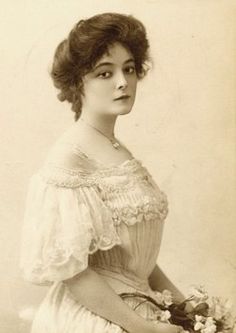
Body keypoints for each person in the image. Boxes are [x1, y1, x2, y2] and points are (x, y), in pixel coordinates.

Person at [20, 12, 188, 333]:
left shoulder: (116, 149)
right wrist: (146, 329)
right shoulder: (69, 158)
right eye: (104, 73)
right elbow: (73, 273)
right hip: (97, 318)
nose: (123, 81)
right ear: (76, 83)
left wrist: (187, 309)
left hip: (141, 308)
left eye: (128, 69)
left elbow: (137, 262)